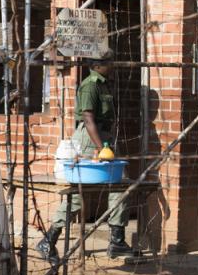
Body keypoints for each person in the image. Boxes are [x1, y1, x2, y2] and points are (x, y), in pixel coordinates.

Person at [37, 56, 132, 261]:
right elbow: (88, 119)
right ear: (96, 66)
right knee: (79, 194)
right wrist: (101, 149)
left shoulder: (105, 85)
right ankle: (49, 239)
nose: (113, 65)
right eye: (109, 62)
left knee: (119, 184)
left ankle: (117, 240)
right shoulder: (90, 86)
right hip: (92, 141)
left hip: (103, 138)